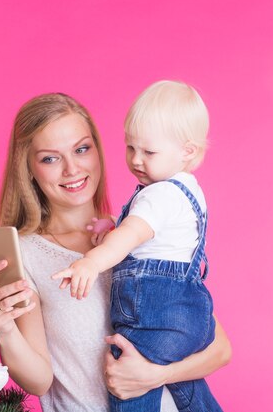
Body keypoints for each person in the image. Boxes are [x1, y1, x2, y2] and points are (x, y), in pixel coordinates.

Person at [0, 92, 231, 412]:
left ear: (97, 150)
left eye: (82, 149)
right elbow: (39, 380)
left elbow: (219, 349)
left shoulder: (139, 233)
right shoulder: (26, 256)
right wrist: (4, 328)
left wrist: (153, 376)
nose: (72, 169)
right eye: (50, 158)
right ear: (28, 168)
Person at [52, 81, 221, 411]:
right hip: (188, 315)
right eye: (131, 148)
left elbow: (130, 238)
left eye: (149, 152)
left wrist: (90, 262)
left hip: (155, 313)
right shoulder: (186, 190)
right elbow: (153, 237)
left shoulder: (159, 195)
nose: (136, 160)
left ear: (187, 151)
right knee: (180, 379)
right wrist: (112, 224)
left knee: (128, 372)